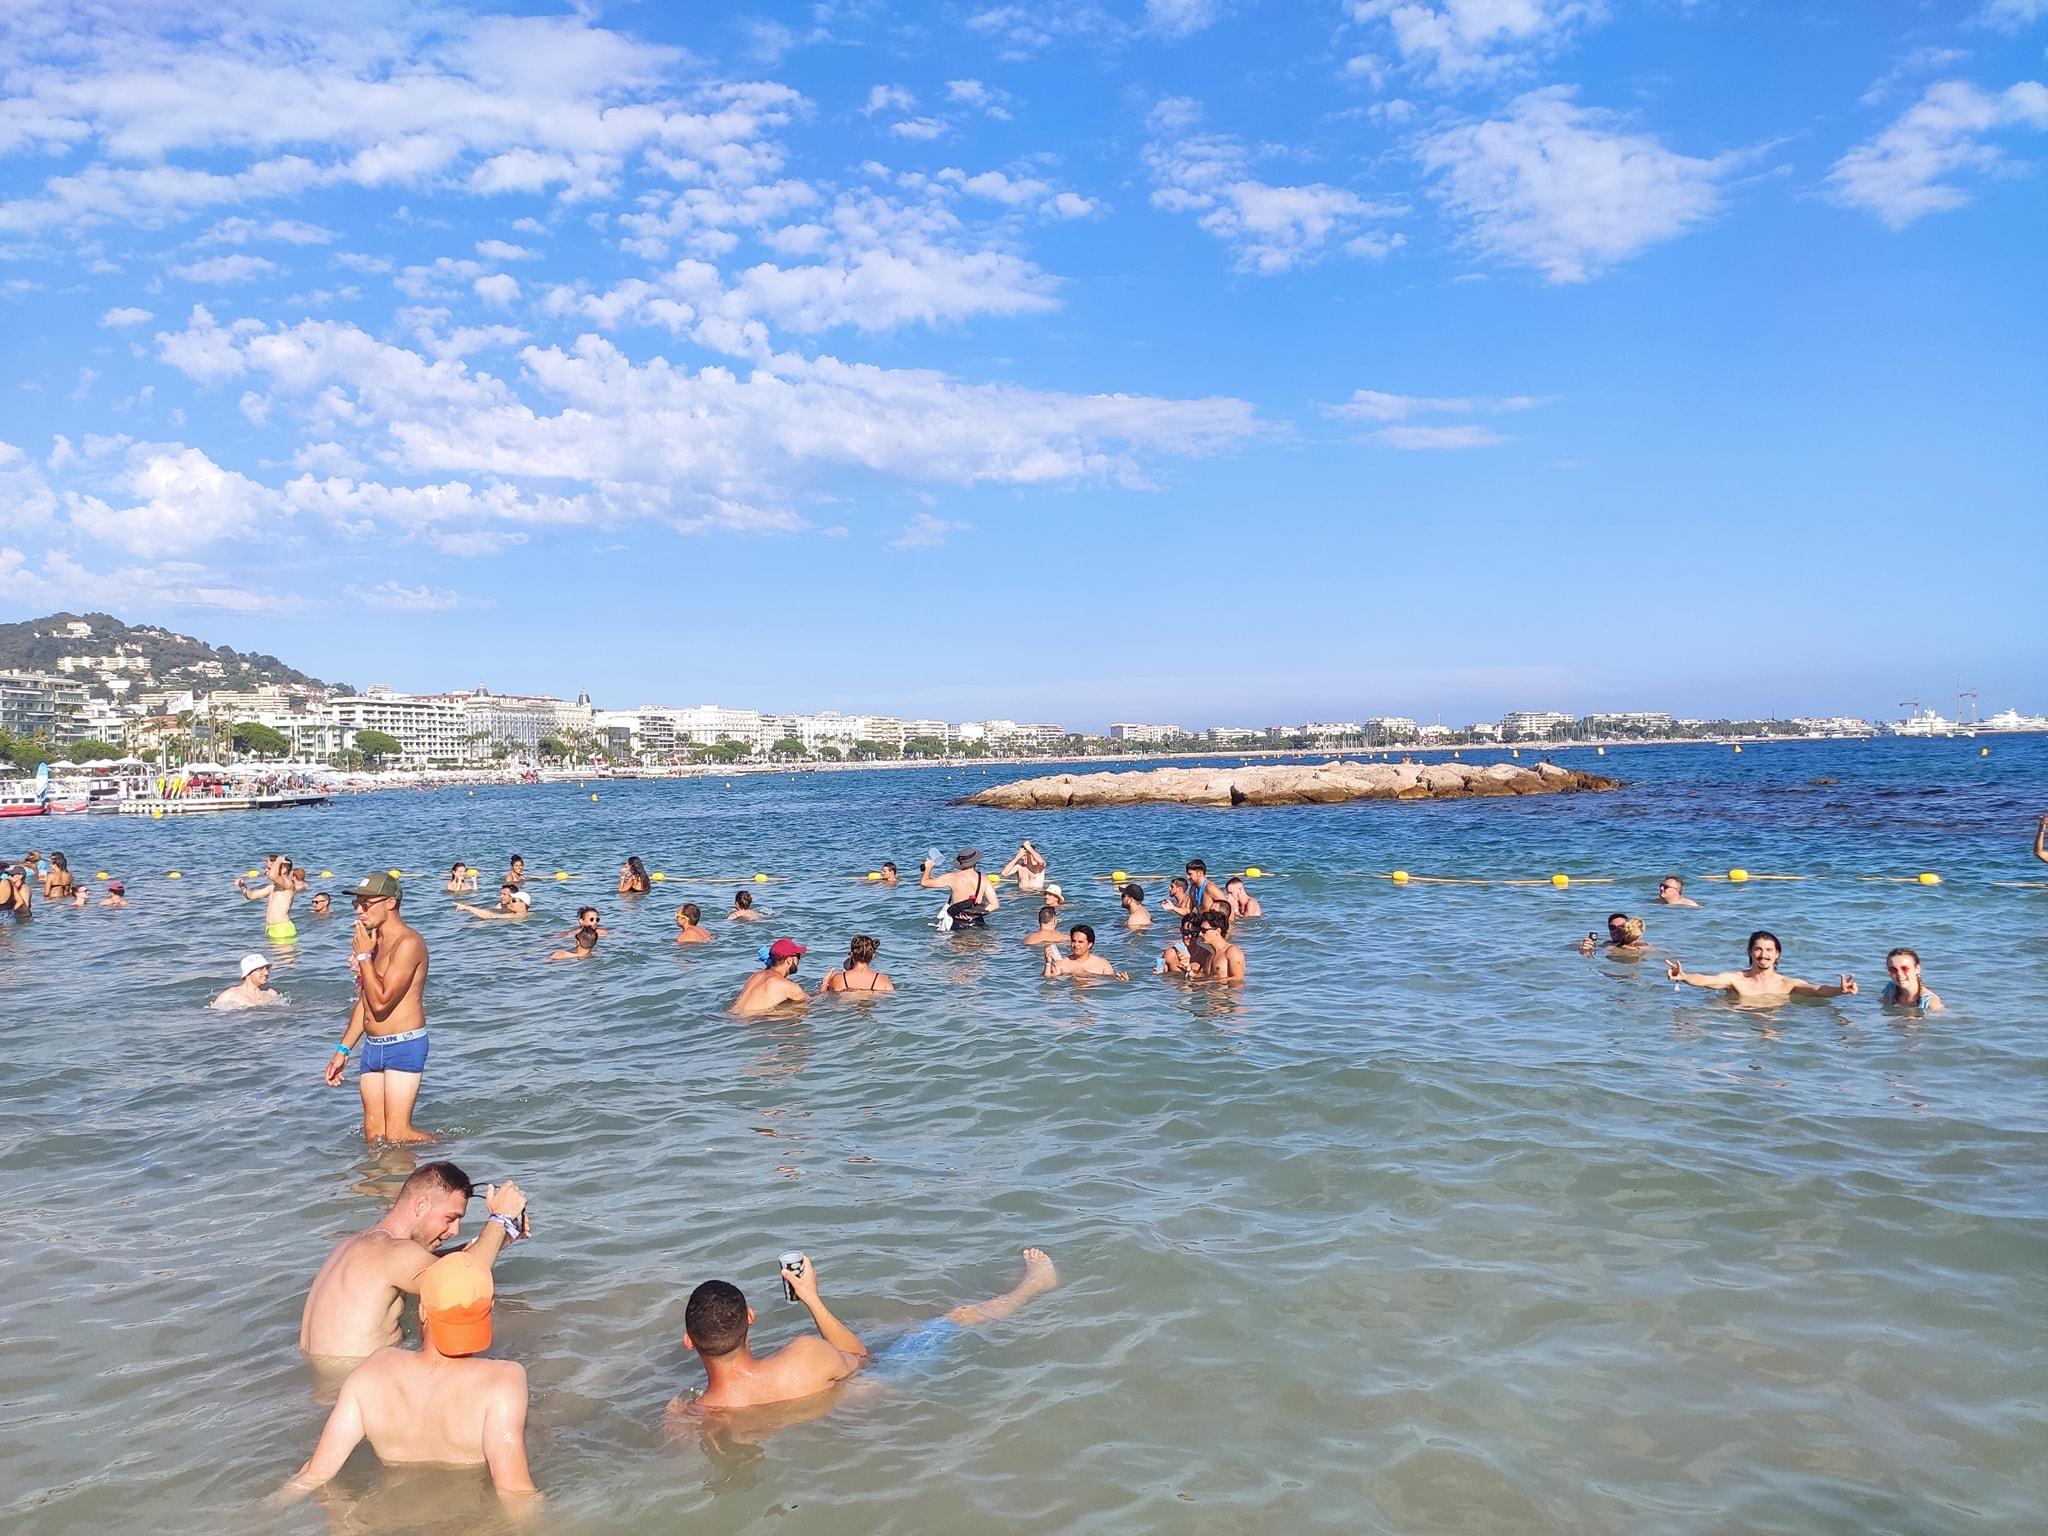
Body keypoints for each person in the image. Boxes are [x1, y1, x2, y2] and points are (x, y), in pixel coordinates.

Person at [283, 1250, 537, 1503]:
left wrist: (272, 1505)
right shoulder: (503, 1382)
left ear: (424, 1312)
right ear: (488, 1309)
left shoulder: (371, 1373)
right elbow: (514, 1490)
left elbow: (316, 1474)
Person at [673, 1248, 1057, 1414]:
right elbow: (863, 1361)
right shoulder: (804, 1355)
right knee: (952, 1319)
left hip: (844, 1411)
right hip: (884, 1382)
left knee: (887, 1327)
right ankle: (1035, 1285)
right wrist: (811, 1298)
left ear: (689, 1341)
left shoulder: (690, 1416)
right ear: (750, 1318)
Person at [299, 1161, 528, 1360]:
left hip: (334, 1386)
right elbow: (464, 1278)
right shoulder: (394, 1253)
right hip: (362, 1381)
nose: (454, 1231)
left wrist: (499, 1239)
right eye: (450, 1218)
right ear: (421, 1205)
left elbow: (440, 1264)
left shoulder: (362, 1244)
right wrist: (500, 1219)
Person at [326, 873, 435, 1145]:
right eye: (356, 904)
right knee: (374, 1138)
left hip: (404, 1045)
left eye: (366, 903)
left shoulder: (408, 943)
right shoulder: (374, 943)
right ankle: (379, 1187)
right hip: (373, 1046)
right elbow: (365, 1003)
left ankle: (449, 1160)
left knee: (400, 1135)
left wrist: (363, 957)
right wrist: (343, 1050)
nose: (359, 910)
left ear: (390, 903)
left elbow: (382, 1001)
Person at [1666, 931, 1856, 1004]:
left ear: (1777, 954)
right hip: (1742, 1026)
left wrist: (1839, 990)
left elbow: (1818, 990)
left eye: (1768, 950)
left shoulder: (1787, 984)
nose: (1763, 955)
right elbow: (1708, 980)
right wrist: (1685, 977)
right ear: (1750, 952)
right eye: (1757, 949)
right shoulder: (1736, 980)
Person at [922, 849, 997, 927]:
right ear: (975, 861)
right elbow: (995, 905)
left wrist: (928, 867)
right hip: (977, 921)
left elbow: (924, 883)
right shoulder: (984, 879)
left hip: (957, 921)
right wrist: (972, 915)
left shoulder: (951, 877)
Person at [733, 938, 808, 1015]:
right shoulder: (788, 987)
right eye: (798, 956)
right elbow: (811, 1004)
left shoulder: (754, 976)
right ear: (789, 960)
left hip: (731, 1018)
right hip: (752, 1023)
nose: (799, 961)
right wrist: (821, 991)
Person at [236, 853, 299, 942]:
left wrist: (279, 859)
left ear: (284, 870)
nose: (266, 871)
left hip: (282, 929)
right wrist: (242, 885)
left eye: (270, 868)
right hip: (270, 929)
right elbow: (251, 896)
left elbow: (273, 876)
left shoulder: (289, 886)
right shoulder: (272, 888)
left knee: (285, 956)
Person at [1043, 923, 1129, 980]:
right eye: (1073, 941)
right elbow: (1048, 982)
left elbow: (1111, 983)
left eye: (1080, 942)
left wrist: (1123, 982)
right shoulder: (1061, 964)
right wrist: (1048, 963)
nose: (1076, 945)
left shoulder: (1103, 965)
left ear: (1089, 944)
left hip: (1093, 999)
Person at [819, 934, 894, 994]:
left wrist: (825, 983)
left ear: (851, 954)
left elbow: (821, 999)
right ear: (873, 956)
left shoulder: (838, 979)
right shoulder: (883, 980)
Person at [1879, 947, 1944, 1012]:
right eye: (1893, 970)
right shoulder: (1890, 991)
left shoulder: (1931, 1002)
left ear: (1917, 969)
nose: (1899, 974)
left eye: (1904, 968)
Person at [212, 953, 281, 1010]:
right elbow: (213, 1016)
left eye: (267, 968)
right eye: (260, 970)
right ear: (248, 974)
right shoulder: (230, 995)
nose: (266, 973)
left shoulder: (271, 994)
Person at [1195, 910, 1245, 981]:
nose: (1200, 934)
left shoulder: (1232, 951)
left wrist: (1215, 981)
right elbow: (1200, 977)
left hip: (1225, 991)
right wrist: (1187, 968)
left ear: (1218, 931)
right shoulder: (1210, 956)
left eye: (1204, 930)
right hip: (1210, 991)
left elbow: (1238, 979)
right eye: (1200, 930)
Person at [455, 884, 532, 921]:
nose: (511, 902)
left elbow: (491, 916)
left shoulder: (517, 916)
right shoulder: (518, 915)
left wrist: (468, 908)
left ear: (523, 904)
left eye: (514, 901)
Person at [1579, 913, 1648, 955]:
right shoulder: (1606, 944)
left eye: (1621, 927)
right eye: (1612, 927)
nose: (1617, 930)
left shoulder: (1642, 945)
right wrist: (1587, 950)